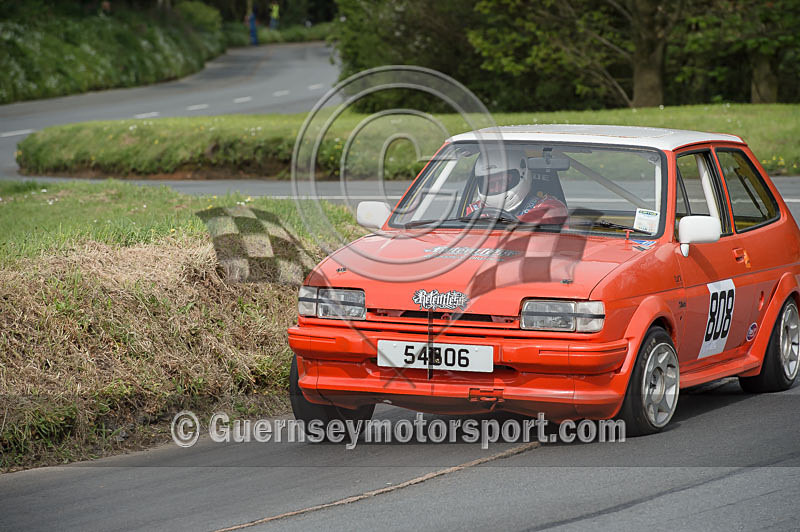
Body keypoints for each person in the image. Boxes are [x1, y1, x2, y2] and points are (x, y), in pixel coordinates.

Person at [466, 151, 568, 225]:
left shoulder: (550, 206)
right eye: (490, 185)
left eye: (503, 181)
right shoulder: (474, 210)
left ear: (523, 174)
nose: (497, 188)